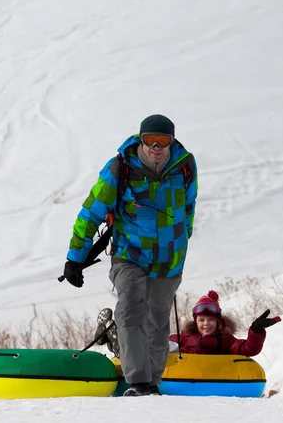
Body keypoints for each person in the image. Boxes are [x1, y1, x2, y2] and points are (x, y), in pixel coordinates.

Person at [62, 114, 198, 396]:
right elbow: (91, 212)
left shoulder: (185, 164)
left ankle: (152, 382)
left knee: (158, 322)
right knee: (131, 307)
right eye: (151, 140)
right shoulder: (120, 167)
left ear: (172, 141)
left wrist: (184, 237)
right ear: (141, 139)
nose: (157, 147)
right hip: (130, 255)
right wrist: (76, 258)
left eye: (163, 141)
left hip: (169, 259)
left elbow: (189, 205)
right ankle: (137, 381)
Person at [169, 290, 281, 355]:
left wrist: (256, 330)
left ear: (218, 322)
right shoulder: (184, 337)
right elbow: (161, 344)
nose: (206, 323)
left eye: (211, 320)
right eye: (201, 320)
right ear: (195, 322)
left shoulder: (226, 340)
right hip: (186, 380)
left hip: (216, 383)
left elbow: (248, 349)